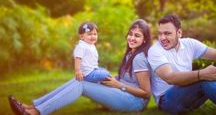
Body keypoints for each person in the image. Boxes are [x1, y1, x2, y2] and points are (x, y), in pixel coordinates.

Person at [8, 19, 152, 115]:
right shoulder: (131, 54)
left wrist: (118, 85)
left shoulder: (139, 58)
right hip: (122, 93)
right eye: (131, 34)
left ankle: (35, 112)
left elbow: (146, 93)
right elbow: (127, 79)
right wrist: (111, 80)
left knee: (81, 84)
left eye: (137, 36)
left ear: (144, 39)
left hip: (134, 102)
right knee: (80, 79)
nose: (132, 38)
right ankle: (32, 107)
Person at [148, 14, 216, 114]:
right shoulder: (155, 51)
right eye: (160, 34)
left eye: (167, 33)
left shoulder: (189, 44)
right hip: (168, 101)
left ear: (179, 33)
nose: (162, 38)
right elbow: (170, 78)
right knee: (205, 79)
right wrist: (201, 74)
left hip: (190, 95)